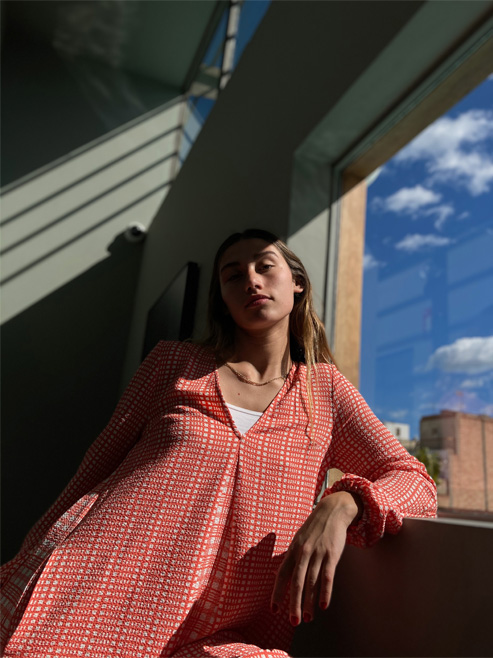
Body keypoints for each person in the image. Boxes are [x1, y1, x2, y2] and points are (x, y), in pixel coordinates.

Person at [1, 228, 437, 657]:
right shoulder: (174, 362)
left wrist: (342, 503)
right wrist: (25, 560)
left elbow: (414, 480)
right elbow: (95, 468)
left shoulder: (324, 391)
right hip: (92, 594)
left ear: (298, 283)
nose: (251, 280)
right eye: (233, 275)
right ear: (223, 299)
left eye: (265, 266)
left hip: (219, 633)